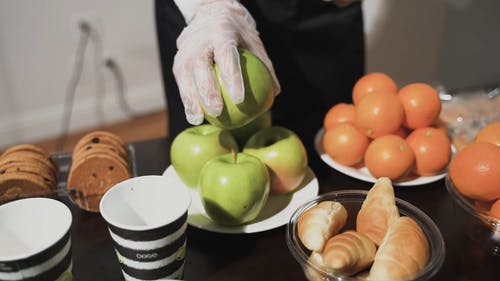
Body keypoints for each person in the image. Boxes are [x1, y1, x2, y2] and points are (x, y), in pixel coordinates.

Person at [155, 0, 364, 171]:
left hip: (318, 15)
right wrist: (207, 5)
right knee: (200, 170)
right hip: (204, 24)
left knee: (331, 153)